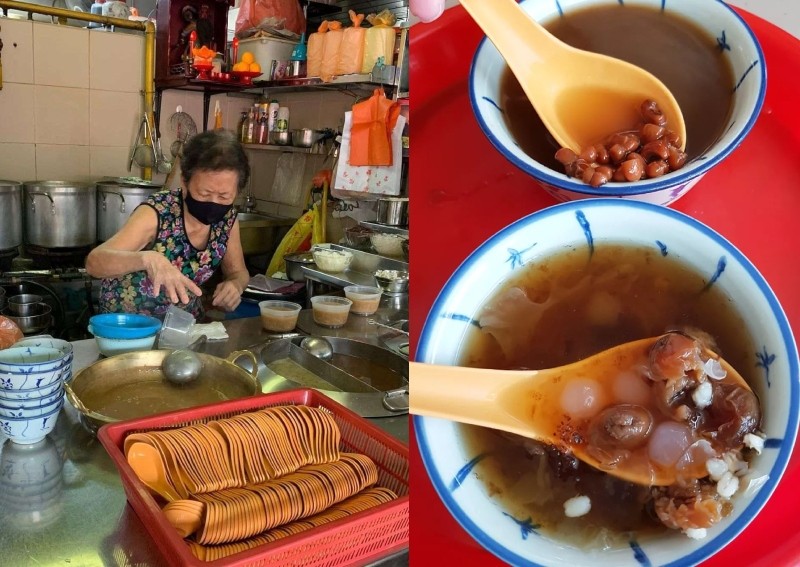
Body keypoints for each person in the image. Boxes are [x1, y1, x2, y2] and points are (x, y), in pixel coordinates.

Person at [86, 129, 251, 319]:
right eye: (204, 193)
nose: (213, 202)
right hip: (129, 328)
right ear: (184, 182)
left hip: (181, 328)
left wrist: (236, 285)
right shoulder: (158, 212)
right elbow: (94, 263)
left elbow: (238, 272)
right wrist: (148, 259)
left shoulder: (228, 219)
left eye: (224, 196)